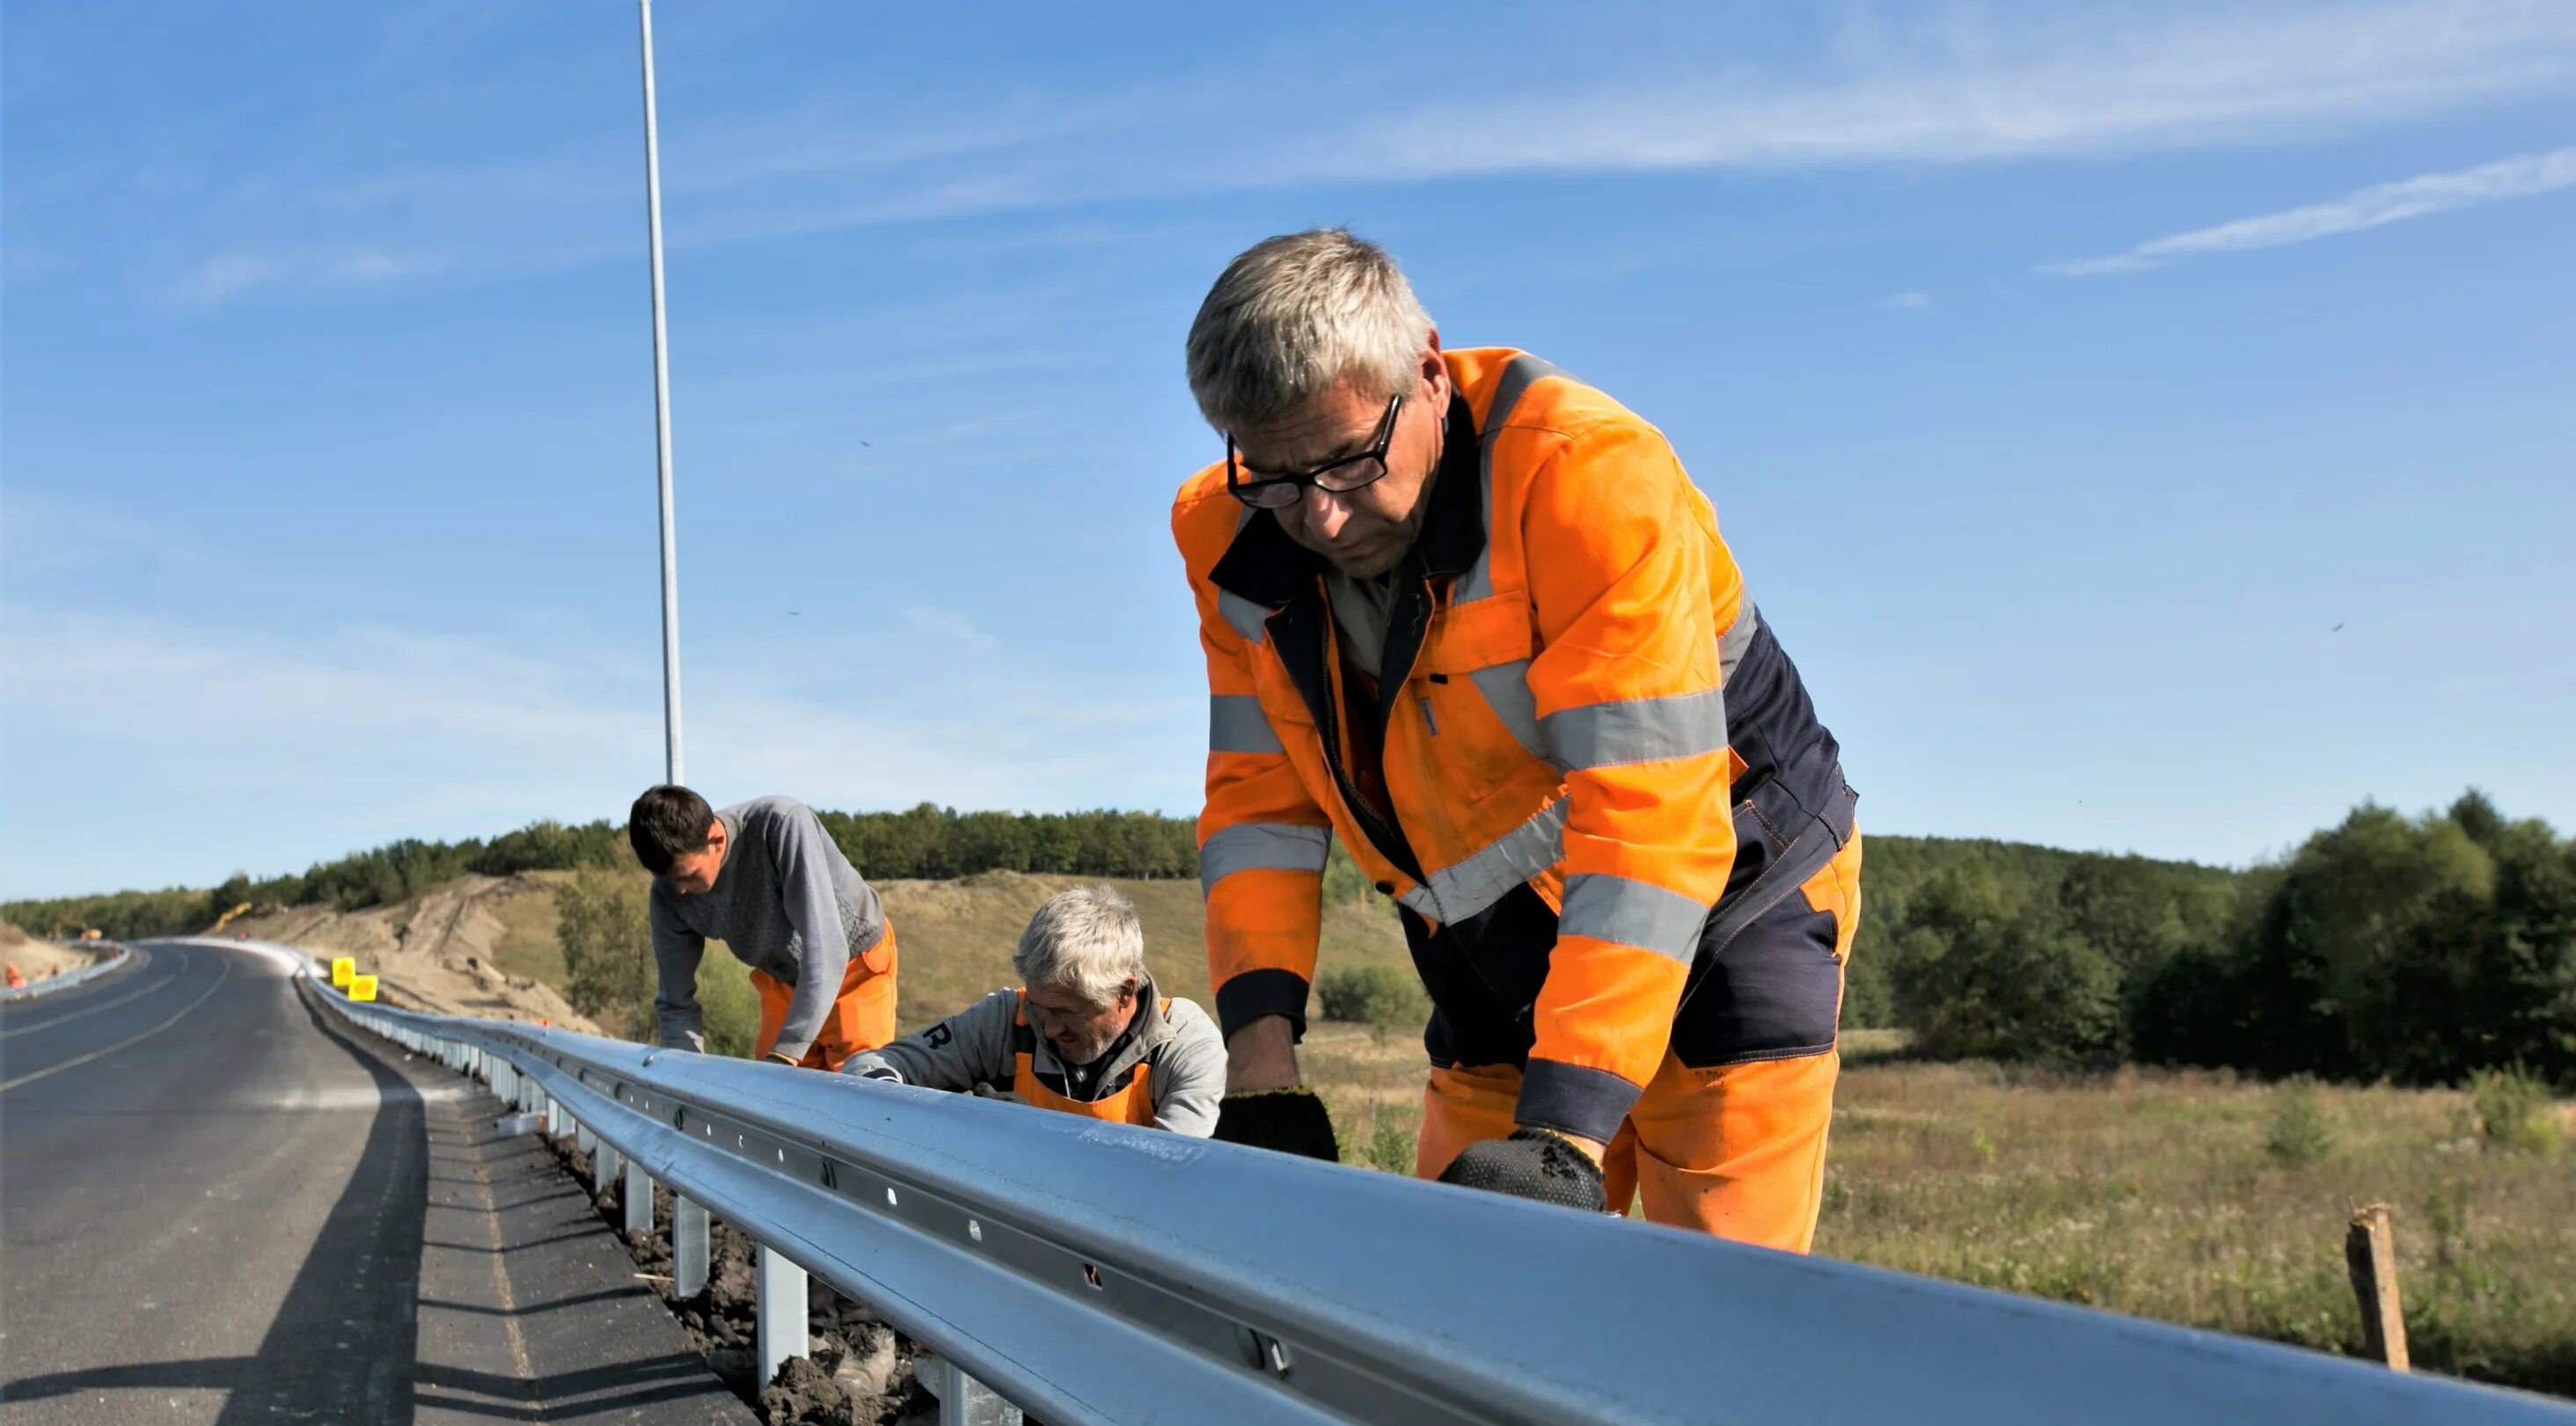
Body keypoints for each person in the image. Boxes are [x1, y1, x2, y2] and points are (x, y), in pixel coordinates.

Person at [1171, 229, 1861, 1253]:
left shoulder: (1589, 479)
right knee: (1458, 1300)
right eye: (1274, 473)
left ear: (1430, 375)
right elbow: (1261, 808)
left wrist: (1564, 1133)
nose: (1319, 514)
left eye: (1351, 461)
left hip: (1727, 904)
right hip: (1488, 946)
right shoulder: (1227, 533)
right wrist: (1263, 1075)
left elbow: (1648, 822)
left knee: (1713, 1323)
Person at [841, 886, 1226, 1137]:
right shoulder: (1007, 1019)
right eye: (1040, 1008)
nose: (1051, 1029)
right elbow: (870, 1068)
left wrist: (1034, 1137)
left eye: (1067, 1012)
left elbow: (1168, 1181)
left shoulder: (1184, 1044)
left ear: (1125, 992)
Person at [629, 785, 899, 1070]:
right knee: (776, 1095)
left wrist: (787, 1051)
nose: (680, 892)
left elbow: (828, 952)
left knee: (854, 1088)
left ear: (717, 841)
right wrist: (687, 1076)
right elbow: (675, 1003)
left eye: (689, 877)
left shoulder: (781, 825)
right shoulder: (666, 895)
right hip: (782, 980)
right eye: (669, 881)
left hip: (854, 969)